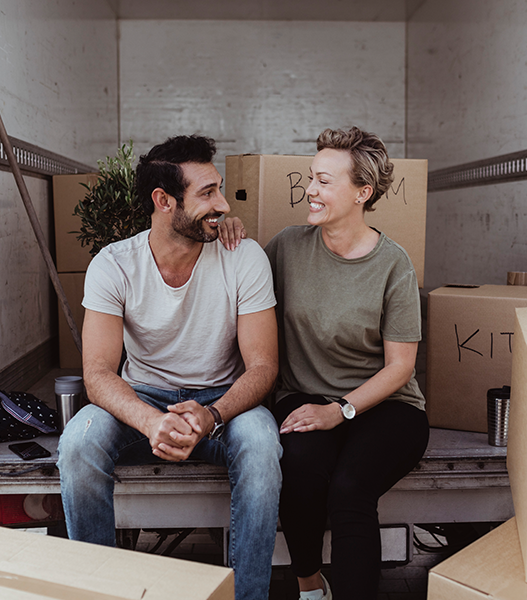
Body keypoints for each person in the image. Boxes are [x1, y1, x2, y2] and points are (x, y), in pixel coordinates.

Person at [57, 134, 282, 600]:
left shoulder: (245, 257)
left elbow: (262, 367)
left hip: (223, 402)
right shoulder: (114, 265)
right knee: (78, 445)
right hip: (143, 399)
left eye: (219, 188)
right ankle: (97, 592)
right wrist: (151, 421)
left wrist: (213, 414)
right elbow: (98, 373)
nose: (221, 203)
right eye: (207, 193)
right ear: (163, 201)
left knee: (262, 445)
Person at [222, 126, 430, 600]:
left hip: (386, 404)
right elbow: (233, 275)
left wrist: (340, 410)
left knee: (352, 490)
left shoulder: (393, 264)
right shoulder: (286, 248)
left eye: (324, 182)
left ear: (363, 192)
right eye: (311, 178)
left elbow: (400, 368)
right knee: (299, 468)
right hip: (304, 395)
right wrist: (227, 229)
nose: (310, 191)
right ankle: (310, 587)